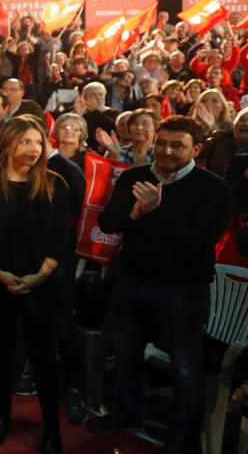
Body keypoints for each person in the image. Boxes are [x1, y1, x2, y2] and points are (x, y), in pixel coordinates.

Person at [88, 116, 233, 452]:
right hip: (132, 281)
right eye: (161, 143)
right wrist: (135, 215)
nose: (167, 151)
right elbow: (108, 222)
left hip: (184, 290)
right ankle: (128, 412)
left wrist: (158, 210)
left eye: (177, 145)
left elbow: (202, 240)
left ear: (195, 148)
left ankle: (182, 438)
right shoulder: (135, 177)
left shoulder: (214, 188)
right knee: (125, 353)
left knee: (184, 365)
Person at [0, 116, 69, 453]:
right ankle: (3, 414)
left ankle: (52, 427)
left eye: (38, 142)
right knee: (2, 353)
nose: (34, 149)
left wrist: (40, 275)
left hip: (42, 283)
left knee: (43, 357)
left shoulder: (54, 184)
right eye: (25, 142)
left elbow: (61, 238)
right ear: (6, 145)